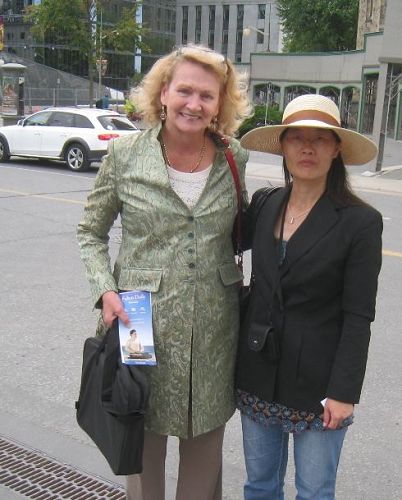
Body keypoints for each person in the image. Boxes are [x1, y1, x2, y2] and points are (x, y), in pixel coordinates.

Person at [77, 44, 251, 500]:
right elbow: (90, 232)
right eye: (185, 91)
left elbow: (241, 227)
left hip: (214, 327)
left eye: (207, 95)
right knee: (141, 445)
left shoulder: (234, 156)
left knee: (204, 452)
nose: (194, 104)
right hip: (138, 321)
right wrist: (105, 291)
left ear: (221, 103)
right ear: (164, 94)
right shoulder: (126, 155)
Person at [236, 94, 383, 500]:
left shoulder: (360, 222)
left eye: (319, 139)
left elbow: (358, 316)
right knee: (260, 485)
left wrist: (344, 392)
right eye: (296, 138)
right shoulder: (266, 204)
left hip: (320, 384)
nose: (306, 147)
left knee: (315, 491)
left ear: (336, 149)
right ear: (282, 146)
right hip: (258, 372)